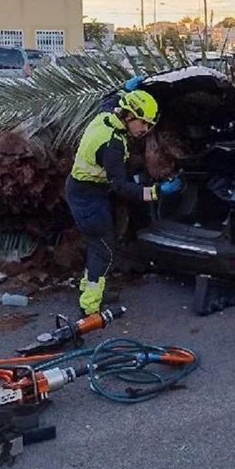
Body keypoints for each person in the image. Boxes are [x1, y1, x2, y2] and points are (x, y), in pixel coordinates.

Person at [65, 82, 182, 316]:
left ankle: (89, 289)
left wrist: (127, 87)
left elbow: (110, 98)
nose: (146, 129)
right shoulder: (112, 145)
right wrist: (157, 192)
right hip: (87, 197)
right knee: (104, 250)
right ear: (128, 115)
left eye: (149, 124)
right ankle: (90, 307)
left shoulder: (108, 114)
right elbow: (121, 187)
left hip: (83, 191)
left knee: (98, 246)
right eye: (143, 122)